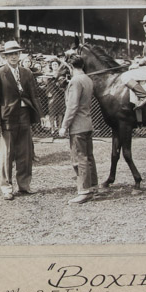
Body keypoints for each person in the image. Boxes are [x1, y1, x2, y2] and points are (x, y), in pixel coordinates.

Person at [0, 40, 44, 201]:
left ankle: (24, 185)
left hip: (25, 115)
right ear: (5, 56)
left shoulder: (27, 73)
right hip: (7, 118)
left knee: (25, 153)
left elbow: (34, 95)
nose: (13, 57)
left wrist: (40, 115)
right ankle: (6, 187)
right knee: (7, 154)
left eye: (16, 53)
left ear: (20, 55)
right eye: (10, 54)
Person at [59, 56, 98, 205]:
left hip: (77, 126)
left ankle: (84, 191)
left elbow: (72, 106)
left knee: (79, 159)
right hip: (87, 123)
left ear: (70, 66)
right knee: (88, 157)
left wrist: (64, 125)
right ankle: (93, 186)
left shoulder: (75, 81)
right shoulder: (87, 79)